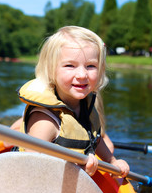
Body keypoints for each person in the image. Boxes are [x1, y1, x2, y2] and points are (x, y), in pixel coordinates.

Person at [15, 26, 129, 177]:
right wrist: (77, 170)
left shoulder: (86, 106)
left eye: (90, 66)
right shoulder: (45, 121)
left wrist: (112, 161)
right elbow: (30, 169)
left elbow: (94, 137)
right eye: (70, 65)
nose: (82, 74)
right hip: (37, 185)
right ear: (51, 70)